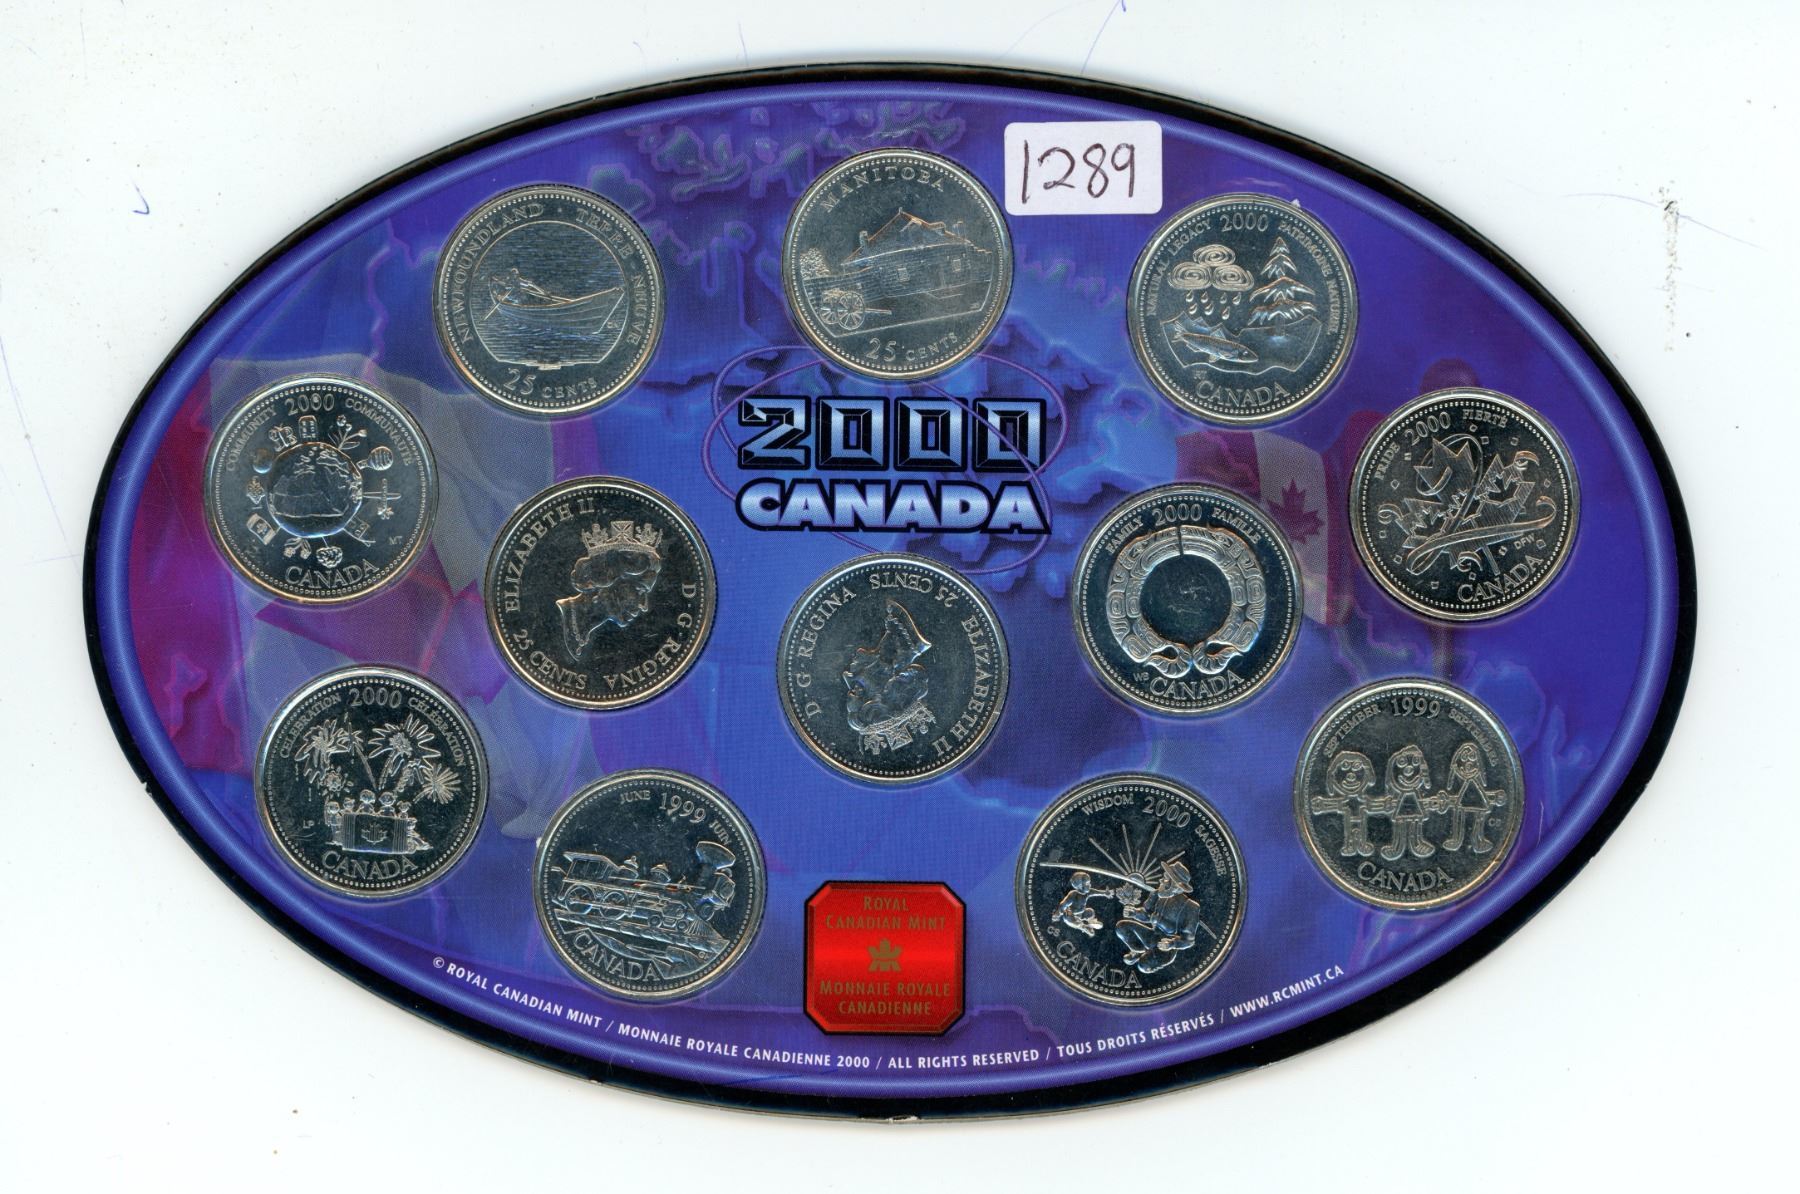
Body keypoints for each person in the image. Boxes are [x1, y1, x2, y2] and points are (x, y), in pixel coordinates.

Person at [1437, 742, 1507, 854]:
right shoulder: (1465, 780)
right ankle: (1457, 839)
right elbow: (1461, 775)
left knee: (1478, 818)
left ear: (1478, 763)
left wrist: (1456, 769)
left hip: (1476, 797)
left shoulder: (1474, 781)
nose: (1468, 764)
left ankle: (1478, 840)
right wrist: (1456, 770)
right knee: (1460, 815)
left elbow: (1478, 789)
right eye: (1464, 758)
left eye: (1472, 758)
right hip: (1467, 797)